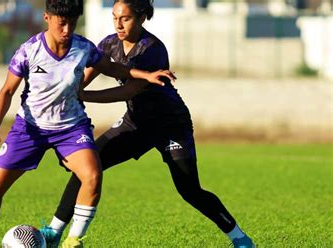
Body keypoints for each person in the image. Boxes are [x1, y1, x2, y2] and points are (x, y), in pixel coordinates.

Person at [40, 1, 256, 248]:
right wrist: (67, 94)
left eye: (126, 18)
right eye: (115, 18)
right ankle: (54, 232)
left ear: (142, 18)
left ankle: (240, 239)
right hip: (136, 123)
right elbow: (83, 78)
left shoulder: (152, 49)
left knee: (190, 191)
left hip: (170, 124)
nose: (118, 24)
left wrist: (84, 97)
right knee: (89, 165)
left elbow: (130, 90)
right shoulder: (109, 44)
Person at [0, 1, 175, 248]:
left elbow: (112, 67)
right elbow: (7, 91)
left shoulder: (83, 48)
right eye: (62, 23)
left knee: (92, 176)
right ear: (47, 18)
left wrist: (146, 75)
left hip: (71, 128)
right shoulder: (28, 51)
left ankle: (73, 240)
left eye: (72, 23)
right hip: (30, 128)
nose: (67, 30)